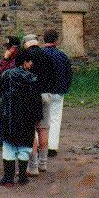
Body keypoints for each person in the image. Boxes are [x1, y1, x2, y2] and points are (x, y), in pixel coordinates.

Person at [0, 50, 42, 186]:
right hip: (27, 116)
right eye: (30, 61)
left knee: (9, 145)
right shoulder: (33, 79)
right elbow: (36, 101)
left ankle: (8, 178)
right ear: (25, 62)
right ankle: (22, 177)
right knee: (24, 145)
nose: (32, 64)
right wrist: (37, 116)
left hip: (8, 113)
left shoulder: (7, 74)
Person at [22, 34, 57, 176]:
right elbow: (54, 77)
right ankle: (43, 163)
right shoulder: (47, 56)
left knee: (31, 130)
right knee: (43, 129)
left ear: (26, 44)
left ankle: (33, 166)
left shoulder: (26, 56)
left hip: (32, 96)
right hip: (47, 95)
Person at [43, 29, 73, 157]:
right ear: (56, 40)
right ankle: (52, 147)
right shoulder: (62, 56)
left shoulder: (39, 54)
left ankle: (40, 145)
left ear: (44, 39)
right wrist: (64, 88)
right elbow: (69, 74)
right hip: (58, 92)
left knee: (41, 120)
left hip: (43, 92)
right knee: (55, 120)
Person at [0, 36, 21, 148]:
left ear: (15, 48)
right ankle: (0, 140)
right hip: (5, 92)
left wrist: (6, 59)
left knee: (11, 117)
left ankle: (9, 141)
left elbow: (4, 72)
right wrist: (5, 59)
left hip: (15, 93)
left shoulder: (18, 60)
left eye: (9, 47)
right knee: (0, 116)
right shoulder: (8, 58)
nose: (7, 50)